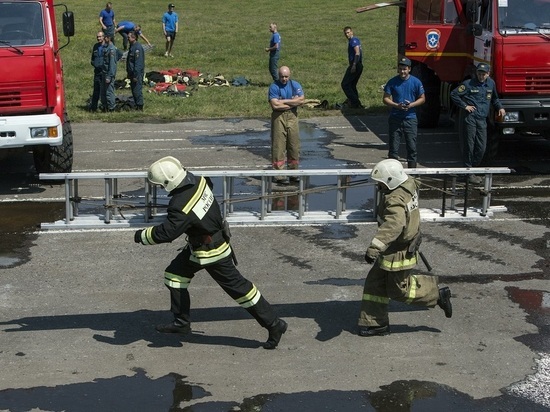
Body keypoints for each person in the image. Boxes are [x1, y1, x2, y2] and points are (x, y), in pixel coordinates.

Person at [134, 156, 288, 350]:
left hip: (211, 252)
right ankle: (181, 322)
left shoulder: (180, 204)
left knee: (240, 290)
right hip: (201, 245)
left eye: (159, 184)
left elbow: (167, 233)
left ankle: (275, 324)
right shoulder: (199, 180)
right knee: (175, 275)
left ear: (168, 181)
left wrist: (142, 236)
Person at [358, 159, 452, 337]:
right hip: (395, 247)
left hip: (398, 251)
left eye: (381, 184)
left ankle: (437, 294)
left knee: (399, 290)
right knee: (375, 283)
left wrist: (375, 247)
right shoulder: (407, 183)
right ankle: (376, 323)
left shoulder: (395, 198)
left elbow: (394, 225)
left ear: (391, 181)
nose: (379, 187)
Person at [451, 63, 506, 184]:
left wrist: (500, 108)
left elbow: (495, 99)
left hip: (482, 119)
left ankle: (471, 170)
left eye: (483, 74)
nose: (481, 76)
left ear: (488, 74)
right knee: (469, 146)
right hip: (470, 119)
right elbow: (454, 94)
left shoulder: (491, 83)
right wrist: (465, 106)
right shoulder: (468, 84)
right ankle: (469, 172)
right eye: (479, 74)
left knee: (481, 147)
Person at [383, 57, 426, 169]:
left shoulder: (416, 82)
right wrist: (396, 105)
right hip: (395, 118)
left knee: (412, 148)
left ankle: (412, 175)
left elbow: (422, 98)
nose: (402, 71)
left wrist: (411, 105)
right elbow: (385, 98)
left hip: (410, 118)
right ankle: (393, 174)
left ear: (409, 69)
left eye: (405, 69)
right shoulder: (392, 82)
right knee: (393, 149)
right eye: (400, 69)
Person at [268, 66, 305, 185]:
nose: (284, 79)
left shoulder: (295, 85)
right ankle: (279, 175)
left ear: (289, 75)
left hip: (292, 117)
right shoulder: (274, 86)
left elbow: (301, 100)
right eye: (282, 77)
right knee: (278, 145)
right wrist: (292, 102)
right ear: (278, 76)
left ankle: (294, 173)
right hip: (278, 117)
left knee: (294, 145)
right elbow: (275, 105)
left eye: (286, 76)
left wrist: (283, 101)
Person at [341, 26, 363, 109]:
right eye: (345, 33)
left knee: (345, 84)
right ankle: (356, 105)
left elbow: (357, 53)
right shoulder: (353, 40)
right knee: (352, 85)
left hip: (355, 64)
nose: (347, 35)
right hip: (358, 64)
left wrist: (354, 65)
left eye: (348, 32)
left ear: (352, 32)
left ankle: (355, 102)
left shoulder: (353, 40)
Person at [126, 31, 145, 111]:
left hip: (136, 74)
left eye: (129, 37)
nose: (127, 38)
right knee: (134, 90)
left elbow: (138, 64)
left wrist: (135, 76)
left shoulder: (137, 48)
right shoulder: (132, 46)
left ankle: (140, 106)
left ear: (134, 38)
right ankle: (136, 105)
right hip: (132, 73)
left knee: (137, 90)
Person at [100, 34, 117, 112]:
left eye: (105, 37)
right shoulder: (106, 48)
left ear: (109, 38)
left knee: (109, 92)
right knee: (103, 91)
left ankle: (111, 107)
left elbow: (112, 64)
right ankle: (105, 106)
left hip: (108, 74)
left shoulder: (112, 49)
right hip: (104, 72)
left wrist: (109, 76)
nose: (104, 38)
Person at [89, 31, 105, 112]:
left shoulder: (107, 46)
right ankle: (93, 108)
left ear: (104, 37)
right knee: (96, 90)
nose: (98, 38)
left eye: (100, 36)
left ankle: (105, 107)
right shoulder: (95, 46)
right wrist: (94, 64)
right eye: (97, 37)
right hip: (97, 72)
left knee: (105, 91)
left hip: (104, 73)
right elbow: (92, 59)